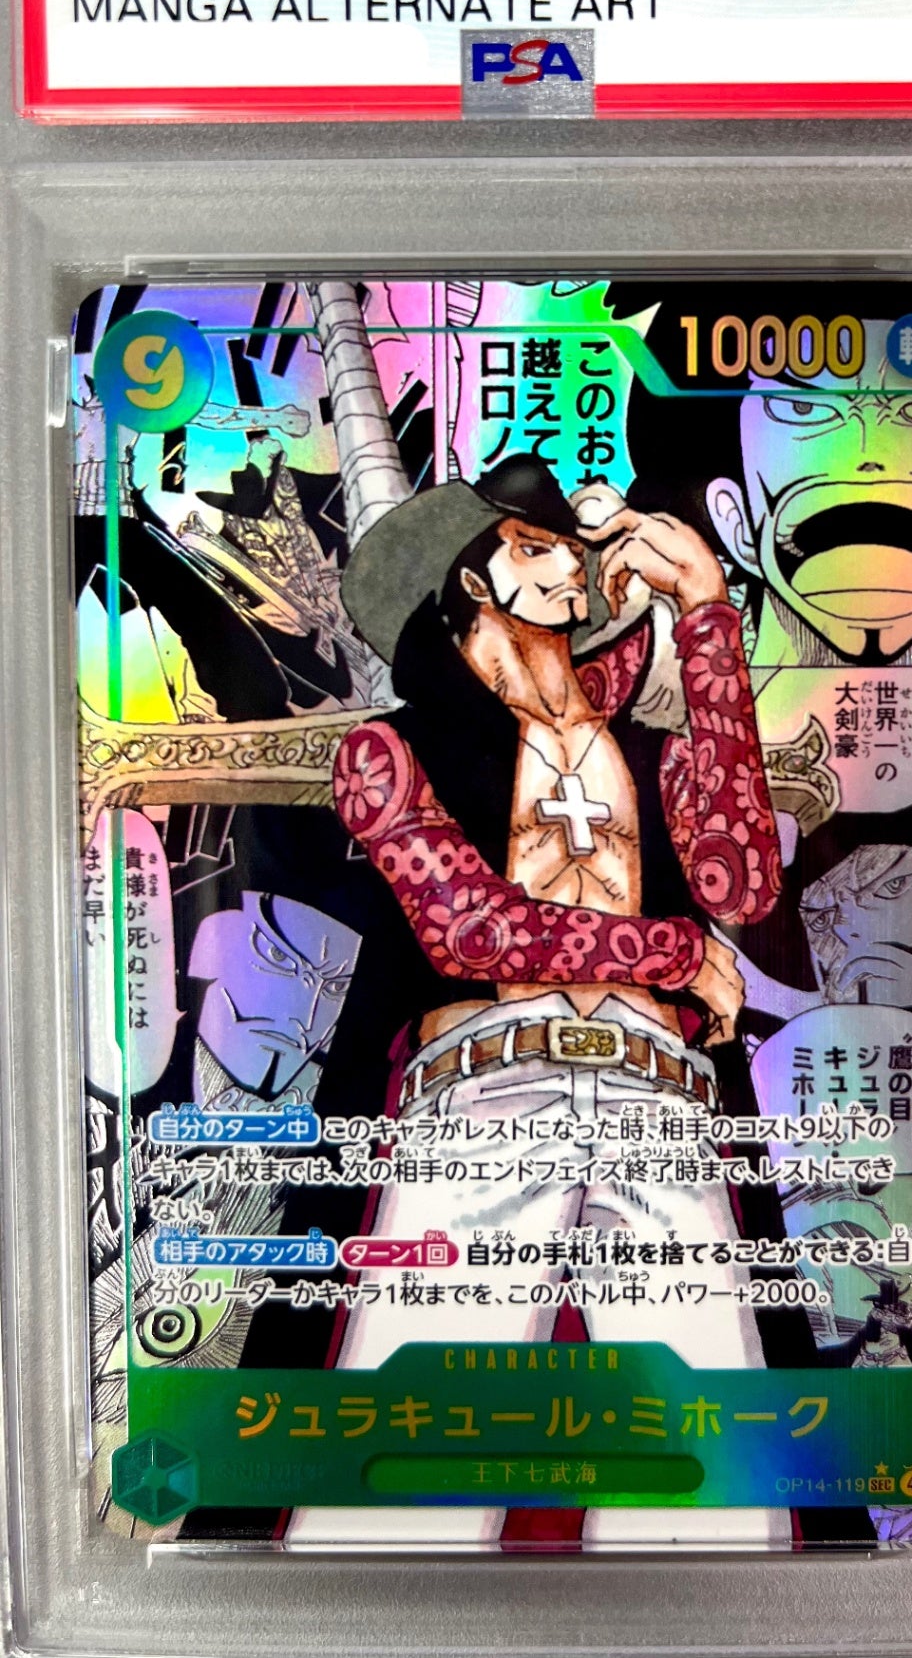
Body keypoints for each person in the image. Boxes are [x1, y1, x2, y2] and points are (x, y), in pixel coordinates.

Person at [288, 452, 786, 1550]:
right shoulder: (387, 750)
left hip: (658, 1102)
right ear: (473, 578)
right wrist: (671, 952)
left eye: (571, 546)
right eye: (535, 547)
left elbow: (741, 885)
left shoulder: (645, 749)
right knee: (395, 1502)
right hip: (483, 1098)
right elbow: (470, 930)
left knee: (716, 1503)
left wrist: (707, 616)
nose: (570, 567)